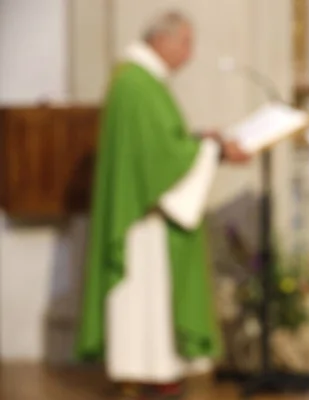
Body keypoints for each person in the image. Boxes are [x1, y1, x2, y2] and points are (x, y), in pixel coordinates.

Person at [75, 11, 250, 399]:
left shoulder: (138, 80)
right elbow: (162, 157)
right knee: (145, 293)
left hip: (145, 210)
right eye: (186, 42)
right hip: (144, 218)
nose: (190, 53)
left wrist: (201, 141)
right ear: (162, 40)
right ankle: (145, 371)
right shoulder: (137, 84)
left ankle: (154, 371)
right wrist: (213, 147)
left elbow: (161, 144)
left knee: (151, 294)